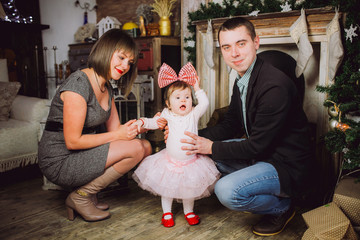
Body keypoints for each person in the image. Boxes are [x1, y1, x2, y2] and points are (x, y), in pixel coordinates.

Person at [179, 17, 312, 236]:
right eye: (227, 47)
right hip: (263, 154)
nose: (235, 53)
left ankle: (282, 207)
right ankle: (263, 189)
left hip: (286, 166)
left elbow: (256, 146)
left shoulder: (273, 86)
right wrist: (189, 136)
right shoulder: (243, 78)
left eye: (241, 44)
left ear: (256, 43)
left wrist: (209, 146)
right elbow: (231, 124)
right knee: (203, 155)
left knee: (227, 190)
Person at [38, 29, 152, 222]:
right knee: (135, 148)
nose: (125, 66)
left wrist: (142, 125)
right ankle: (80, 197)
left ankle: (86, 194)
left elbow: (117, 130)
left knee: (145, 146)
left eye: (130, 62)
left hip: (81, 153)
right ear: (106, 50)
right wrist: (119, 135)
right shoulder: (78, 85)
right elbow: (73, 142)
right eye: (122, 57)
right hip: (59, 159)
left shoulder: (106, 87)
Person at [131, 62, 220, 227]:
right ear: (168, 103)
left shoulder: (193, 114)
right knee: (168, 189)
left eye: (187, 97)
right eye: (177, 98)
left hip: (191, 163)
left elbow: (205, 104)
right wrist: (143, 121)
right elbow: (155, 122)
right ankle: (166, 213)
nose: (183, 100)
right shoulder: (167, 114)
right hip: (169, 161)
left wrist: (197, 87)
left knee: (189, 190)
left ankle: (189, 212)